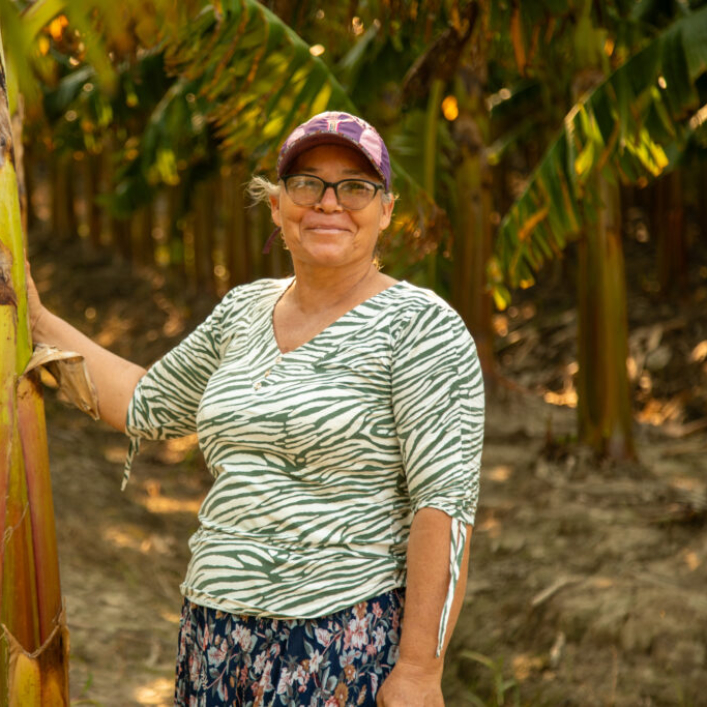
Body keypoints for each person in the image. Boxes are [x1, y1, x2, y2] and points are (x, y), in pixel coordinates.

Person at [27, 111, 484, 707]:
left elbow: (443, 506)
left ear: (386, 211)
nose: (328, 202)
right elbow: (146, 400)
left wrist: (421, 670)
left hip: (339, 638)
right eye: (306, 183)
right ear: (277, 205)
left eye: (355, 186)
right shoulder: (243, 310)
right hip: (215, 634)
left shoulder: (423, 327)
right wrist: (34, 318)